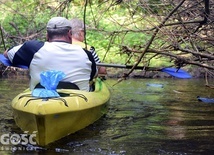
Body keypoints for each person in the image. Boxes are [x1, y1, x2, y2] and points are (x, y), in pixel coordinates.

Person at [4, 17, 97, 91]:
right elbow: (93, 75)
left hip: (39, 102)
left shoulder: (33, 48)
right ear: (69, 34)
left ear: (47, 35)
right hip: (78, 102)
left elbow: (6, 55)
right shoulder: (87, 54)